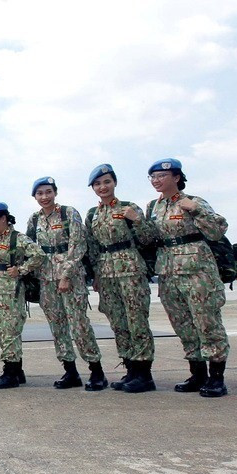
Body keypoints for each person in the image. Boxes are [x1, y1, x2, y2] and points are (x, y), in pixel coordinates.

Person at [146, 158, 230, 397]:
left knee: (207, 323)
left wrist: (196, 210)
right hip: (169, 273)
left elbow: (216, 232)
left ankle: (217, 378)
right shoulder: (154, 206)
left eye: (161, 176)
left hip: (198, 273)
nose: (156, 181)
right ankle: (197, 373)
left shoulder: (194, 201)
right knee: (183, 325)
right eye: (152, 177)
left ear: (176, 177)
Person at [27, 177, 108, 391]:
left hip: (69, 278)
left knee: (79, 324)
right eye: (39, 193)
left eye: (48, 192)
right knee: (57, 326)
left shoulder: (68, 213)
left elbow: (78, 244)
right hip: (46, 279)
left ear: (55, 192)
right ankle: (70, 370)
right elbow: (30, 248)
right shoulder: (34, 220)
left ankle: (96, 370)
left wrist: (66, 275)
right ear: (34, 196)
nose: (44, 197)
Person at [84, 164, 157, 393]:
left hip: (131, 269)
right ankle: (130, 369)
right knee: (118, 322)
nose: (102, 187)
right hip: (106, 273)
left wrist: (137, 220)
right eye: (97, 184)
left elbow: (148, 239)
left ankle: (145, 374)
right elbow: (92, 248)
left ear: (114, 183)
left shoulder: (129, 208)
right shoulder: (92, 214)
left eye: (106, 182)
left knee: (137, 320)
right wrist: (95, 275)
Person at [0, 202, 43, 389]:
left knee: (10, 332)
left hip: (10, 292)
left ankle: (10, 373)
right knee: (2, 332)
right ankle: (18, 370)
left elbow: (38, 255)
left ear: (4, 218)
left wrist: (21, 270)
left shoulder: (18, 238)